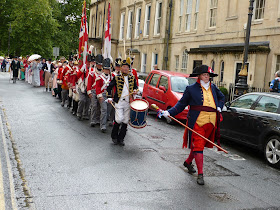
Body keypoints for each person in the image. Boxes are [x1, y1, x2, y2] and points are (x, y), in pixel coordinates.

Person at [159, 65, 225, 185]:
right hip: (197, 122)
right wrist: (169, 112)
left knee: (199, 146)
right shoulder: (191, 89)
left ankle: (188, 162)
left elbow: (222, 97)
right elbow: (181, 104)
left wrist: (219, 107)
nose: (207, 77)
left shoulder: (214, 88)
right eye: (205, 75)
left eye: (208, 75)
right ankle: (200, 174)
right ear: (199, 76)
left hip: (211, 122)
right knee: (199, 146)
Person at [106, 59, 138, 146]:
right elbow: (109, 87)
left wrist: (135, 90)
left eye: (127, 67)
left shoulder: (132, 77)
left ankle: (121, 139)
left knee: (125, 120)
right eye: (124, 67)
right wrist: (109, 97)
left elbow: (136, 87)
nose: (125, 69)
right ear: (121, 68)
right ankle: (114, 136)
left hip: (128, 102)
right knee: (119, 119)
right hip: (119, 101)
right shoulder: (117, 77)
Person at [94, 58, 112, 132]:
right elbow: (97, 87)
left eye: (108, 69)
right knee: (104, 110)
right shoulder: (100, 78)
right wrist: (99, 95)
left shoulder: (111, 78)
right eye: (105, 69)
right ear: (103, 69)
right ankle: (103, 125)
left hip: (110, 96)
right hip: (103, 95)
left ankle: (104, 122)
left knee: (108, 110)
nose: (107, 71)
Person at [87, 54, 103, 126]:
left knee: (100, 106)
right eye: (98, 64)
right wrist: (89, 91)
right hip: (93, 90)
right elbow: (89, 83)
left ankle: (98, 119)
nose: (99, 66)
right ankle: (93, 120)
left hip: (101, 91)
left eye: (101, 64)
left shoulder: (104, 73)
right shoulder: (92, 72)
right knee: (94, 105)